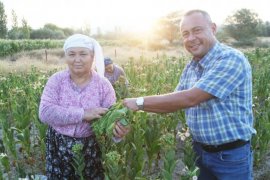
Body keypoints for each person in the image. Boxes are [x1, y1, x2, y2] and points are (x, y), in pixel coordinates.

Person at [123, 10, 256, 180]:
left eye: (197, 30)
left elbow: (190, 98)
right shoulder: (192, 65)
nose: (191, 38)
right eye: (185, 34)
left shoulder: (231, 59)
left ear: (213, 28)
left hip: (230, 156)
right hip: (199, 152)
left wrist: (139, 102)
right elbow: (173, 102)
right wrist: (130, 115)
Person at [39, 34, 129, 179]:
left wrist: (118, 131)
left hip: (90, 147)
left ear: (92, 57)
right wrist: (83, 114)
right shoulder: (56, 81)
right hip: (58, 144)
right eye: (71, 54)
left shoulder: (103, 86)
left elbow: (109, 121)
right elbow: (45, 113)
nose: (77, 60)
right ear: (66, 57)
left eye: (83, 54)